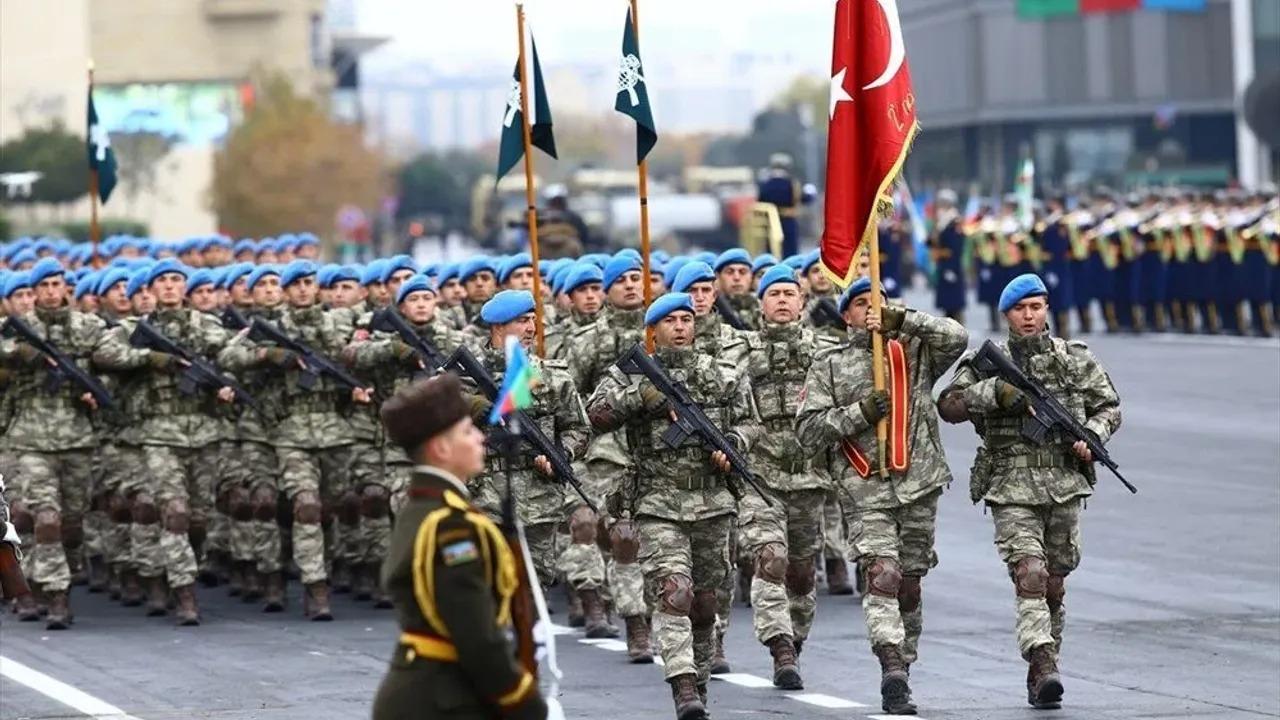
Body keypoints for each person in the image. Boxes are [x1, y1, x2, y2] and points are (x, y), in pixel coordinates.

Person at [937, 273, 1121, 710]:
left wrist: (1092, 435)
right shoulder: (988, 361)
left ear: (1047, 310)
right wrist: (995, 393)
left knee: (1054, 584)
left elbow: (1109, 405)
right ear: (1006, 315)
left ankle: (1045, 662)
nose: (1029, 316)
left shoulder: (1074, 359)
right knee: (1030, 575)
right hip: (1011, 487)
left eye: (1036, 307)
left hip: (1063, 485)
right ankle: (1041, 663)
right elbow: (948, 405)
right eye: (1020, 309)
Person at [796, 275, 968, 715]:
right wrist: (858, 413)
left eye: (879, 302)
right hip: (865, 486)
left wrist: (901, 319)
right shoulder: (829, 365)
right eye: (862, 304)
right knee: (883, 576)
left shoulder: (911, 350)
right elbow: (809, 431)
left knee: (909, 585)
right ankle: (889, 665)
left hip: (918, 484)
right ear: (846, 315)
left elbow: (958, 337)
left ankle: (903, 665)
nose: (871, 310)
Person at [585, 292, 760, 720]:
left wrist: (734, 444)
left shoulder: (719, 373)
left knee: (705, 603)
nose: (681, 326)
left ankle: (697, 683)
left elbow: (749, 421)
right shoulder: (629, 374)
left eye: (687, 319)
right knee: (674, 592)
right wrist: (640, 397)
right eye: (670, 321)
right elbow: (595, 414)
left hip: (713, 502)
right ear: (653, 332)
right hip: (657, 503)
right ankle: (681, 683)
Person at [371, 372, 548, 720]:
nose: (481, 439)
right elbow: (477, 637)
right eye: (468, 431)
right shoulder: (450, 524)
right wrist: (523, 701)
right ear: (441, 448)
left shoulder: (429, 508)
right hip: (441, 701)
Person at [735, 265, 841, 689]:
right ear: (761, 304)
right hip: (759, 479)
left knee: (800, 571)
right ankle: (779, 646)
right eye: (773, 293)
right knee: (770, 559)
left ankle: (794, 641)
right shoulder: (740, 353)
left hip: (809, 480)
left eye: (789, 293)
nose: (781, 300)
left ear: (802, 302)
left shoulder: (826, 353)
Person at [0, 258, 111, 629]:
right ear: (33, 293)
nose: (50, 292)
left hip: (77, 438)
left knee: (72, 524)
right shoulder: (15, 330)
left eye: (56, 284)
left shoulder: (89, 327)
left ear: (66, 288)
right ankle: (56, 596)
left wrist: (97, 394)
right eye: (42, 286)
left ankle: (56, 574)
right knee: (44, 517)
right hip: (30, 438)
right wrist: (20, 353)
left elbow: (112, 364)